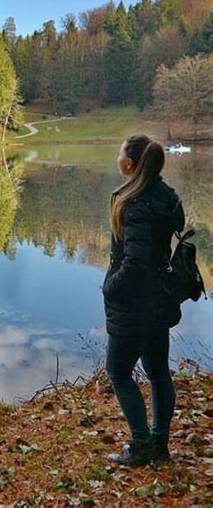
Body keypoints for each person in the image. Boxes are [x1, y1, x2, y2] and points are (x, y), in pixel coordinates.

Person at [103, 134, 185, 466]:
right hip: (159, 300)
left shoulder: (135, 203)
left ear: (130, 165)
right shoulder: (165, 196)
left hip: (135, 303)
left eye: (121, 153)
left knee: (119, 371)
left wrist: (112, 287)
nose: (117, 157)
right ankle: (160, 446)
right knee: (158, 371)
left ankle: (140, 446)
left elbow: (134, 262)